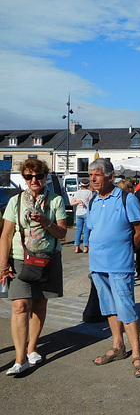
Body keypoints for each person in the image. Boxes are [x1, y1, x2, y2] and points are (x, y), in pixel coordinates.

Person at [0, 159, 67, 376]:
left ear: (45, 176)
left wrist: (46, 221)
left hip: (47, 259)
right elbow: (6, 234)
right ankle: (20, 360)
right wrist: (2, 264)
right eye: (29, 176)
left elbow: (62, 233)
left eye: (38, 175)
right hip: (19, 259)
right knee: (20, 305)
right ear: (24, 179)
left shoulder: (55, 200)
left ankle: (32, 348)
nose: (34, 180)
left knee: (39, 305)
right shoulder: (16, 201)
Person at [85, 158, 140, 378]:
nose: (92, 178)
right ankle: (118, 346)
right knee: (110, 308)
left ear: (110, 177)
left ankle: (137, 355)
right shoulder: (93, 200)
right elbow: (93, 230)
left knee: (127, 309)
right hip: (98, 265)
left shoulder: (126, 198)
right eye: (91, 174)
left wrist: (125, 252)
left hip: (120, 265)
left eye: (97, 174)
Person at [71, 179, 93, 253]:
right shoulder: (89, 192)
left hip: (78, 213)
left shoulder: (78, 192)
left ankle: (77, 247)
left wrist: (78, 201)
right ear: (88, 185)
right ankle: (85, 247)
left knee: (78, 230)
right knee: (86, 230)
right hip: (86, 212)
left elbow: (72, 203)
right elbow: (91, 203)